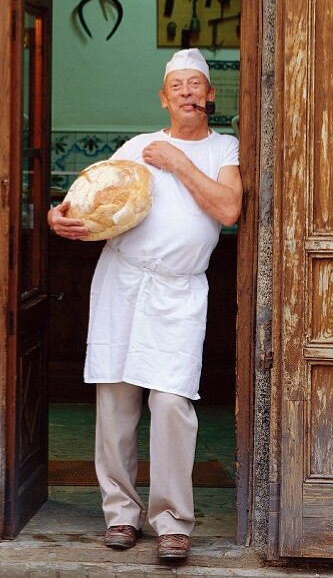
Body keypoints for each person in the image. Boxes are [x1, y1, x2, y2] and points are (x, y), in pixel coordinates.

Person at [47, 48, 242, 565]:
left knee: (172, 404)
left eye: (194, 83)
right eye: (175, 84)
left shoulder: (225, 148)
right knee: (116, 400)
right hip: (124, 282)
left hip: (179, 291)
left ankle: (173, 522)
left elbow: (227, 208)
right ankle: (120, 514)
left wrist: (178, 161)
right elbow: (92, 197)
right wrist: (58, 216)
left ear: (209, 94)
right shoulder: (139, 145)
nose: (185, 91)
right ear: (163, 97)